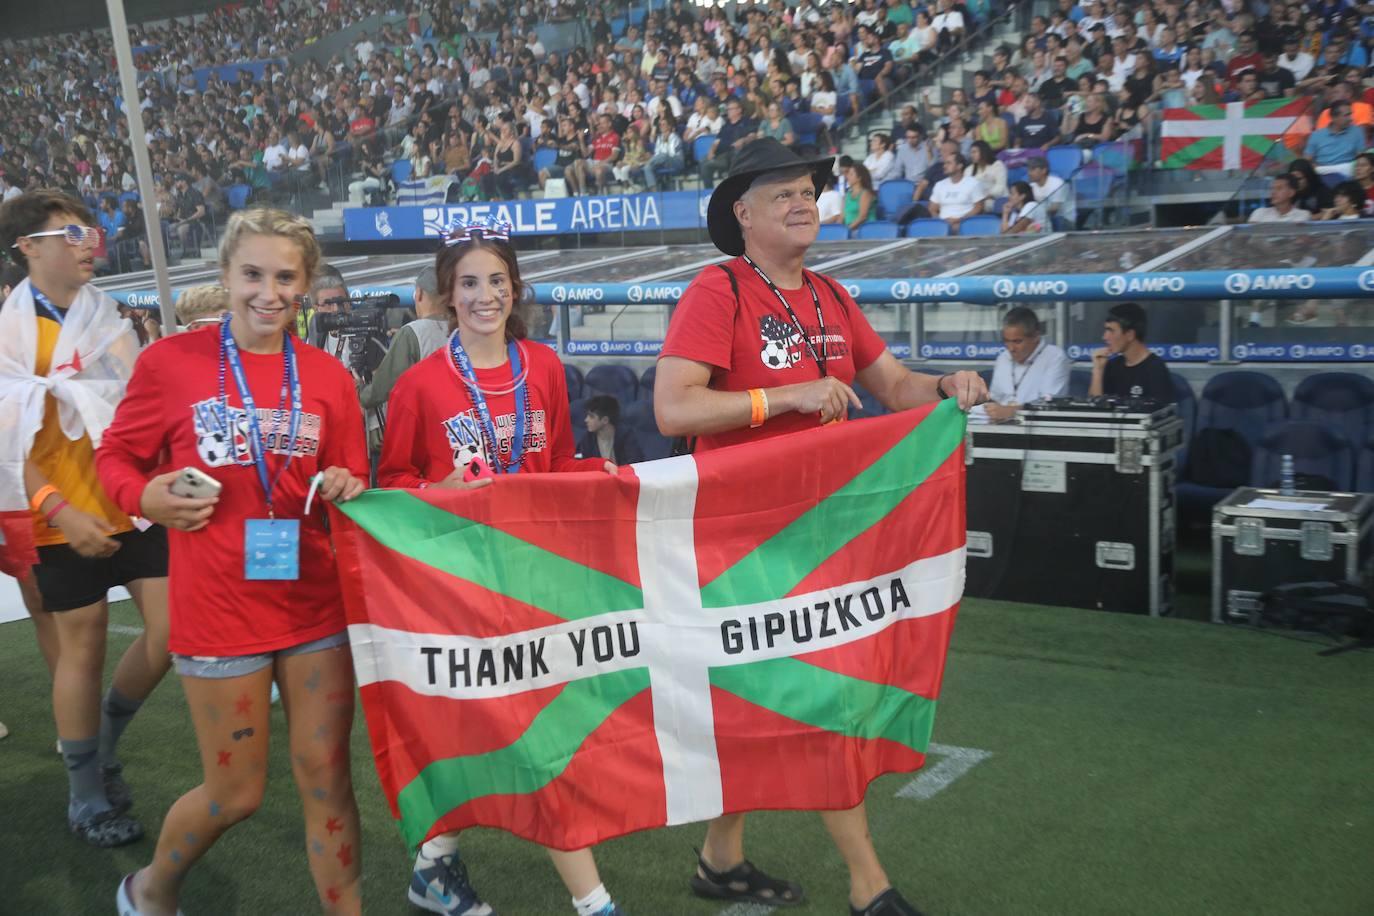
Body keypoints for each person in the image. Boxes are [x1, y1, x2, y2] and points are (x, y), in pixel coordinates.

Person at [654, 137, 987, 916]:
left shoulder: (831, 297)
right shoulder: (718, 290)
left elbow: (893, 383)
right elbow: (674, 408)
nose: (805, 201)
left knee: (759, 699)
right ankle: (869, 888)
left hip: (819, 536)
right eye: (784, 194)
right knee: (814, 697)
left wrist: (947, 384)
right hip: (741, 540)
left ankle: (719, 860)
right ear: (742, 215)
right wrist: (787, 398)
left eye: (809, 191)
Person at [97, 208, 370, 916]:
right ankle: (151, 889)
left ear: (305, 284)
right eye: (252, 274)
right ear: (225, 277)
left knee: (329, 779)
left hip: (313, 604)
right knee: (236, 793)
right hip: (217, 611)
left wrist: (347, 481)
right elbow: (115, 460)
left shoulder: (328, 378)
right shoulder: (168, 365)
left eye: (285, 277)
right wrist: (144, 496)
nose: (268, 292)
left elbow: (351, 469)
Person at [375, 219, 625, 916]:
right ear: (446, 295)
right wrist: (439, 490)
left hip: (533, 573)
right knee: (533, 738)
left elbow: (553, 466)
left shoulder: (543, 366)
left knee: (498, 729)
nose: (486, 296)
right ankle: (594, 903)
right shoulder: (421, 385)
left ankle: (434, 865)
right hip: (457, 584)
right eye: (469, 283)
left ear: (515, 289)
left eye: (497, 281)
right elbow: (389, 483)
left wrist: (596, 472)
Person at [0, 190, 172, 848]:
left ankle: (101, 741)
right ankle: (85, 795)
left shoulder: (110, 320)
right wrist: (58, 509)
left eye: (88, 231)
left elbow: (136, 413)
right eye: (70, 233)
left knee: (174, 628)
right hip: (57, 519)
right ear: (29, 249)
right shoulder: (10, 336)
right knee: (83, 645)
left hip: (132, 505)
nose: (87, 243)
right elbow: (6, 444)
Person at [359, 265, 451, 414]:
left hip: (427, 422)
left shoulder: (412, 333)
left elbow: (383, 388)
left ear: (419, 294)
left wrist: (361, 391)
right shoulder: (464, 330)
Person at [975, 307, 1071, 421]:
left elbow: (1049, 404)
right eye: (1006, 341)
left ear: (1036, 336)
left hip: (1038, 430)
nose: (1010, 348)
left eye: (1017, 341)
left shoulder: (1055, 357)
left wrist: (1013, 411)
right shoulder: (1003, 358)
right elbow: (996, 398)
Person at [1088, 302, 1174, 403]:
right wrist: (1098, 371)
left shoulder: (1155, 369)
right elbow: (1095, 409)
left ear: (1130, 335)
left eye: (1111, 331)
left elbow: (1158, 413)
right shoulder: (1112, 366)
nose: (1104, 337)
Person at [577, 395, 645, 464]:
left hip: (623, 473)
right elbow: (585, 464)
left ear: (605, 420)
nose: (586, 420)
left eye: (591, 416)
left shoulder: (626, 436)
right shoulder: (588, 439)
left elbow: (635, 461)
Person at [929, 151, 984, 232]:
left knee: (957, 228)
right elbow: (932, 209)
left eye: (949, 163)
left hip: (965, 223)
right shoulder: (939, 185)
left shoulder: (973, 183)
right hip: (942, 224)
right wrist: (941, 222)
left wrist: (959, 220)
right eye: (945, 163)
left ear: (959, 166)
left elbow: (979, 207)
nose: (944, 166)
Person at [1305, 101, 1365, 168]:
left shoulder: (1356, 131)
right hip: (1323, 172)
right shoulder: (1316, 136)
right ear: (1334, 117)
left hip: (1348, 172)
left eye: (1350, 114)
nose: (1350, 119)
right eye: (1346, 115)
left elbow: (1361, 157)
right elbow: (1307, 160)